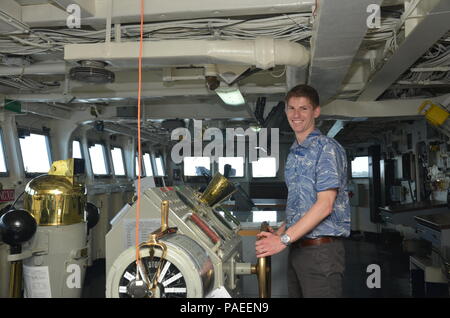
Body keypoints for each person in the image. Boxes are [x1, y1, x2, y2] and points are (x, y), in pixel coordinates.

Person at [255, 84, 350, 298]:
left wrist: (282, 240)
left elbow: (325, 205)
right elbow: (301, 206)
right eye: (291, 108)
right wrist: (279, 232)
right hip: (298, 250)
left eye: (304, 108)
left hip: (321, 252)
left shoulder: (326, 148)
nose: (296, 115)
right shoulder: (294, 153)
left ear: (316, 111)